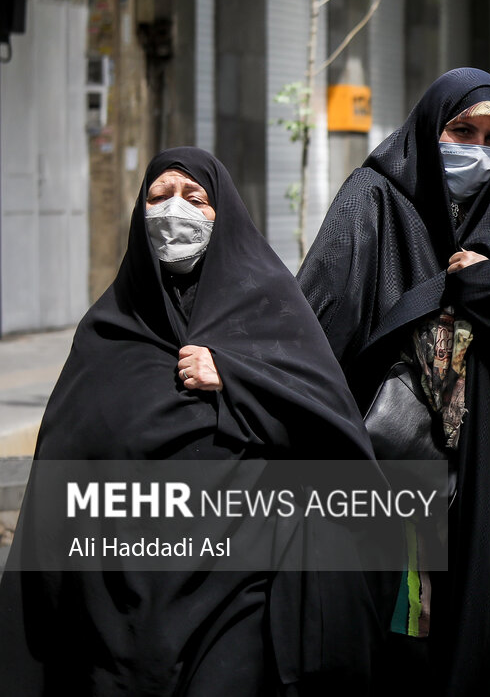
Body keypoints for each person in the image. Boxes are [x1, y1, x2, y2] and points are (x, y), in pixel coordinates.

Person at [0, 148, 388, 695]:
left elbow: (327, 431)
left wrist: (237, 377)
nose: (173, 212)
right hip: (121, 601)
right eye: (157, 199)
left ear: (221, 213)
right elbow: (64, 465)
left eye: (193, 198)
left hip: (238, 588)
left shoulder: (270, 311)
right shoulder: (109, 331)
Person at [297, 68, 490, 694]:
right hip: (392, 478)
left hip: (485, 481)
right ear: (429, 130)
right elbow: (318, 317)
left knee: (471, 648)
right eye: (461, 130)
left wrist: (487, 288)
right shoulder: (375, 199)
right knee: (396, 653)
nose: (477, 149)